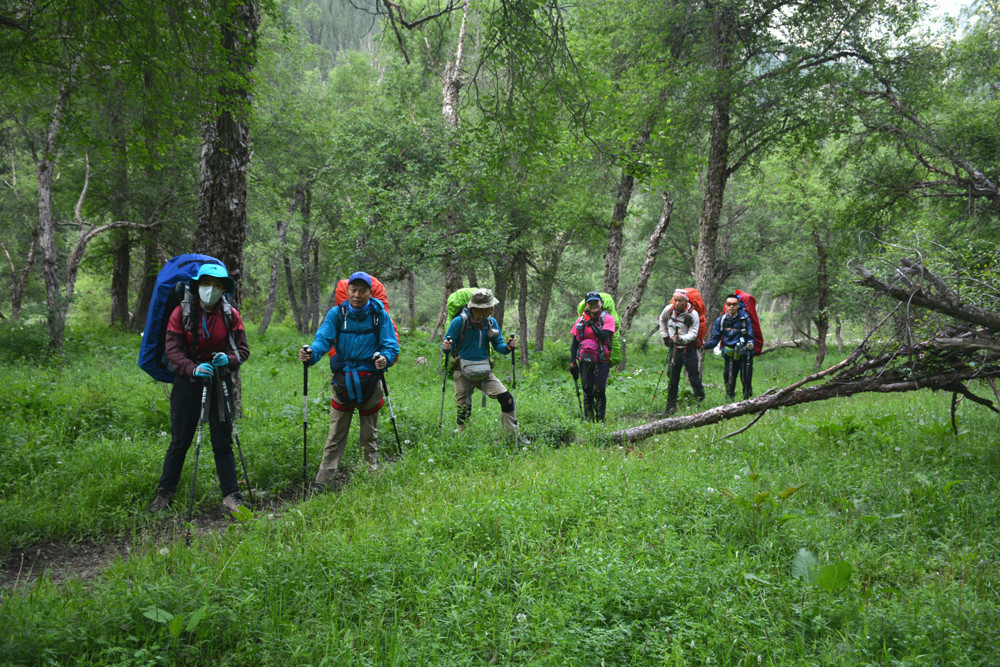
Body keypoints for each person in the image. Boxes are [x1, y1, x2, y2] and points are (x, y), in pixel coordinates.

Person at [150, 264, 251, 514]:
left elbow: (242, 350)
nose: (211, 290)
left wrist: (227, 360)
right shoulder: (181, 312)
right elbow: (172, 348)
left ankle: (231, 495)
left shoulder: (231, 314)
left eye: (218, 286)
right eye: (207, 284)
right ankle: (165, 493)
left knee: (222, 440)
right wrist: (192, 368)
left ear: (224, 289)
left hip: (219, 382)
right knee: (180, 441)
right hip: (188, 382)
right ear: (197, 285)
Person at [299, 272, 399, 488]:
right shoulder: (337, 314)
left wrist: (386, 358)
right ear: (347, 291)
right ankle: (322, 482)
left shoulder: (379, 316)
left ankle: (368, 479)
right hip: (343, 380)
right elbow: (322, 340)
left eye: (363, 291)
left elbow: (391, 345)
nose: (357, 295)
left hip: (371, 380)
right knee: (335, 434)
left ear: (370, 293)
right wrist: (311, 354)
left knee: (369, 435)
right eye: (353, 290)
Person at [441, 288, 518, 434]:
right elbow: (447, 347)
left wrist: (508, 347)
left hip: (484, 370)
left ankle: (511, 435)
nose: (492, 308)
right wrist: (446, 347)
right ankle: (463, 438)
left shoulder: (491, 322)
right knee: (464, 409)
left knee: (506, 398)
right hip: (462, 370)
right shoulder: (459, 322)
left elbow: (499, 345)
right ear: (478, 308)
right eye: (490, 305)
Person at [570, 291, 615, 422]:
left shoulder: (608, 319)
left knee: (600, 389)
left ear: (601, 303)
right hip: (584, 360)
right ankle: (588, 419)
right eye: (590, 303)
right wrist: (573, 362)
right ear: (587, 305)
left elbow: (603, 336)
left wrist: (590, 323)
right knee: (587, 389)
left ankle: (600, 420)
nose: (594, 305)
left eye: (596, 302)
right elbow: (575, 343)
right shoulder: (580, 320)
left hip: (602, 359)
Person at [658, 288, 705, 414]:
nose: (677, 303)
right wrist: (665, 337)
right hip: (674, 350)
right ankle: (670, 408)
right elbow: (662, 321)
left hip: (688, 349)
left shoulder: (693, 314)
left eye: (680, 301)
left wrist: (681, 339)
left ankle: (700, 403)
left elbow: (694, 334)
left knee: (694, 377)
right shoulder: (669, 310)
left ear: (686, 301)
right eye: (675, 300)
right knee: (672, 378)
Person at [704, 294, 755, 401]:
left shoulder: (745, 319)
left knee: (746, 381)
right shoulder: (721, 321)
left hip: (744, 355)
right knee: (729, 381)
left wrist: (750, 344)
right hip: (729, 356)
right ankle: (729, 405)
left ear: (738, 306)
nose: (731, 306)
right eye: (729, 304)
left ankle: (749, 403)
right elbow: (715, 340)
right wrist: (703, 345)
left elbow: (750, 337)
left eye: (734, 304)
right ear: (726, 305)